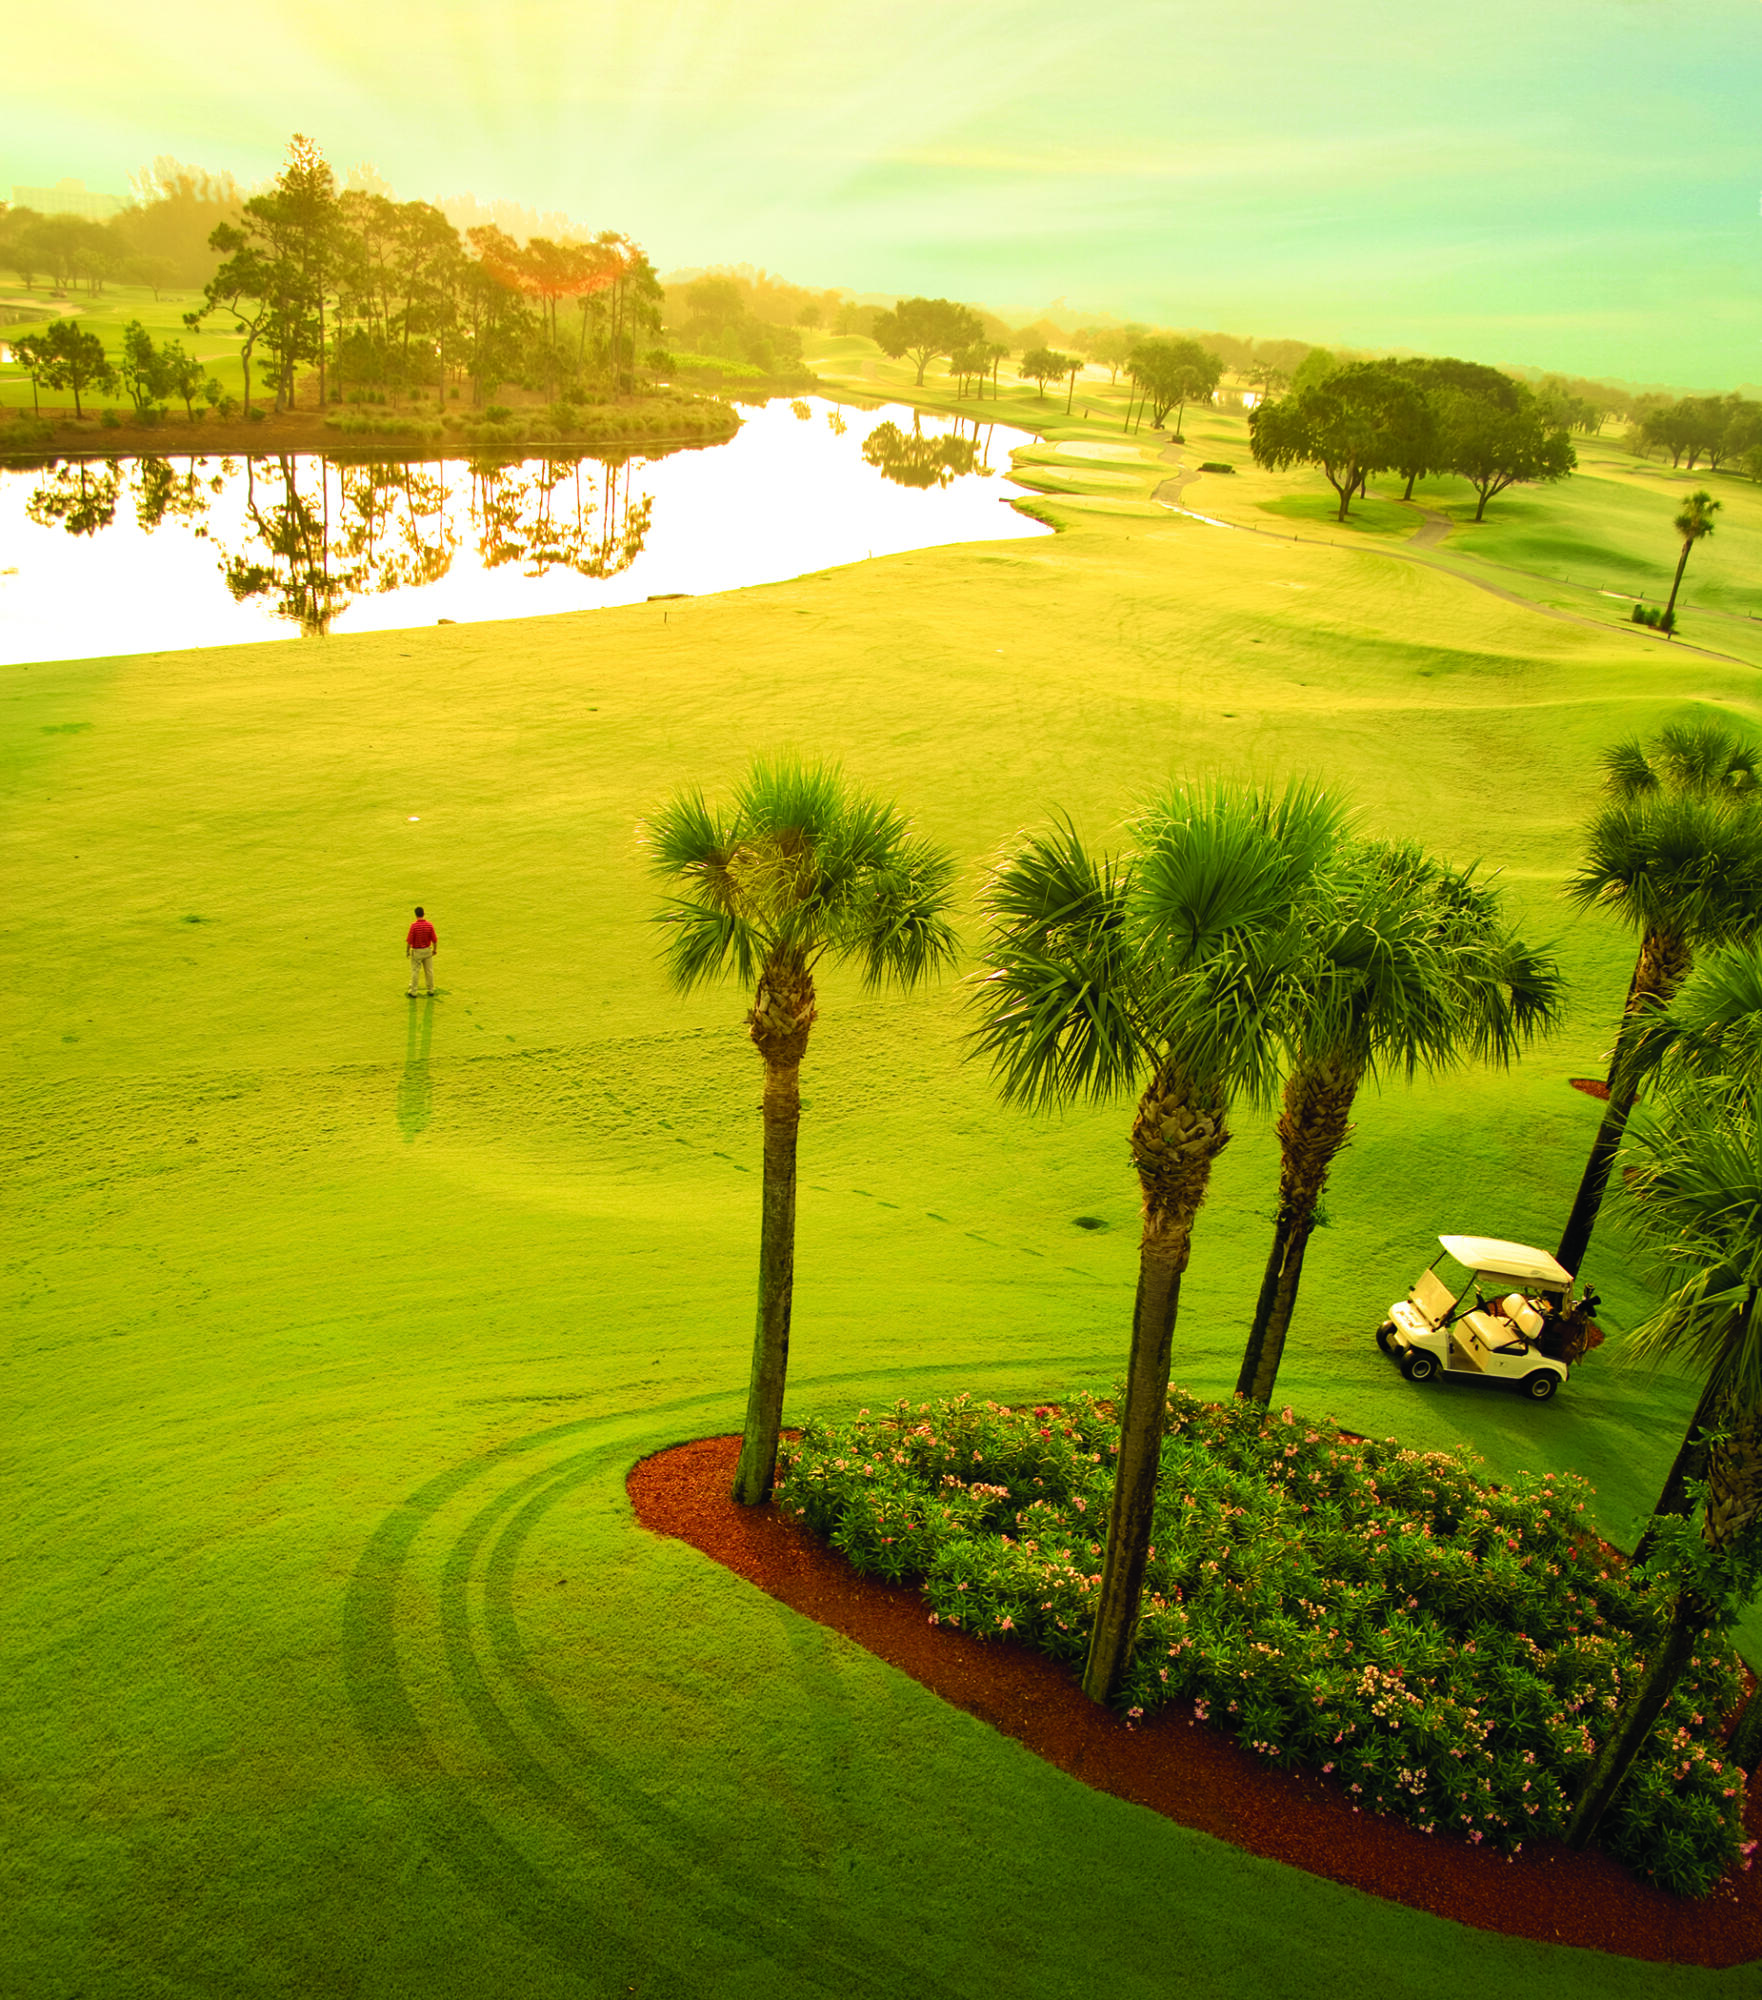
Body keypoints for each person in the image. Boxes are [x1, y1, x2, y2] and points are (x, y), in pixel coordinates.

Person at [406, 906, 438, 996]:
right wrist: (435, 950)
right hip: (427, 950)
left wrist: (407, 951)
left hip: (417, 951)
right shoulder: (429, 925)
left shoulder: (414, 926)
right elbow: (434, 939)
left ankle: (414, 991)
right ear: (423, 914)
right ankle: (431, 989)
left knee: (415, 971)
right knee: (429, 971)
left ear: (416, 915)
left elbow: (409, 941)